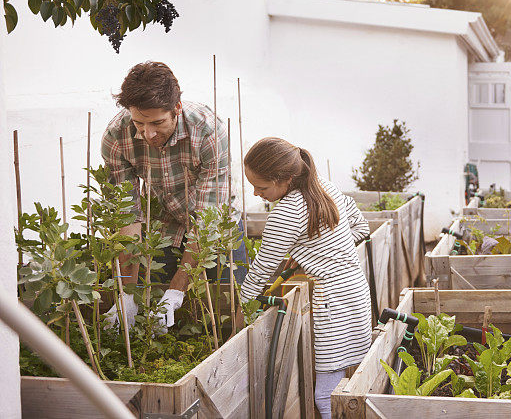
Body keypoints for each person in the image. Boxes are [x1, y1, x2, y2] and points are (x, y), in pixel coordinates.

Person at [100, 61, 248, 334]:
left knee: (228, 310)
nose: (148, 133)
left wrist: (176, 292)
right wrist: (126, 293)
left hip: (218, 225)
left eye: (157, 122)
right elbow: (127, 217)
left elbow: (207, 222)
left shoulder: (207, 131)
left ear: (176, 108)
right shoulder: (116, 137)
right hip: (165, 221)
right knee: (154, 308)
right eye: (139, 123)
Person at [237, 138, 372, 419]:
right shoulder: (325, 188)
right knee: (356, 382)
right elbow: (360, 227)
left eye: (261, 187)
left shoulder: (285, 214)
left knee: (325, 395)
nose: (255, 193)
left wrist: (240, 314)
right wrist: (316, 253)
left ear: (285, 179)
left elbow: (261, 272)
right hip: (356, 292)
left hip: (331, 302)